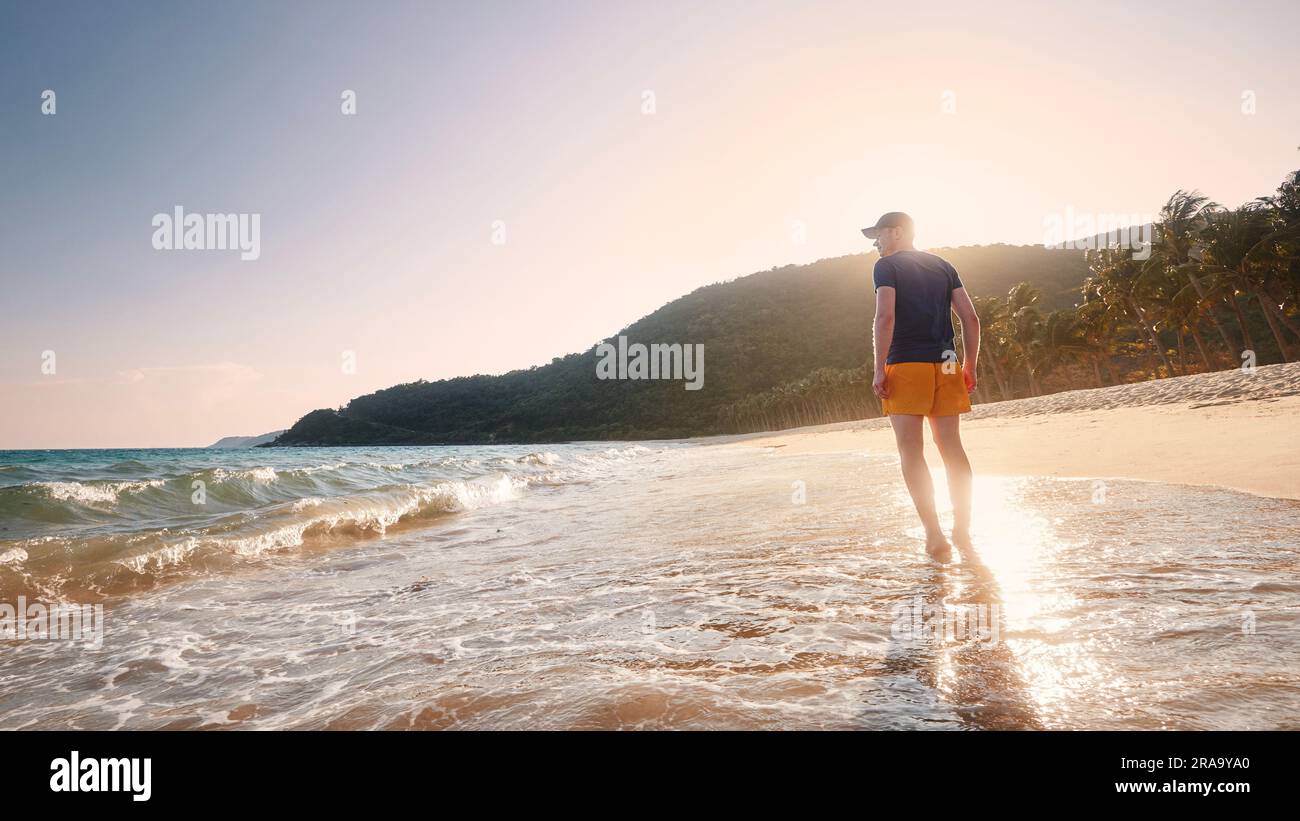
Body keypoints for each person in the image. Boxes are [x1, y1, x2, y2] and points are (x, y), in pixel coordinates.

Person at [863, 212, 980, 563]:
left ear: (896, 233)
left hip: (907, 362)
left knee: (911, 452)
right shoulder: (943, 265)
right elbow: (970, 318)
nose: (876, 244)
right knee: (952, 448)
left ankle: (934, 535)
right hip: (946, 361)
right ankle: (962, 530)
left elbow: (885, 317)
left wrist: (879, 368)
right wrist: (970, 364)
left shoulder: (887, 267)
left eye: (879, 236)